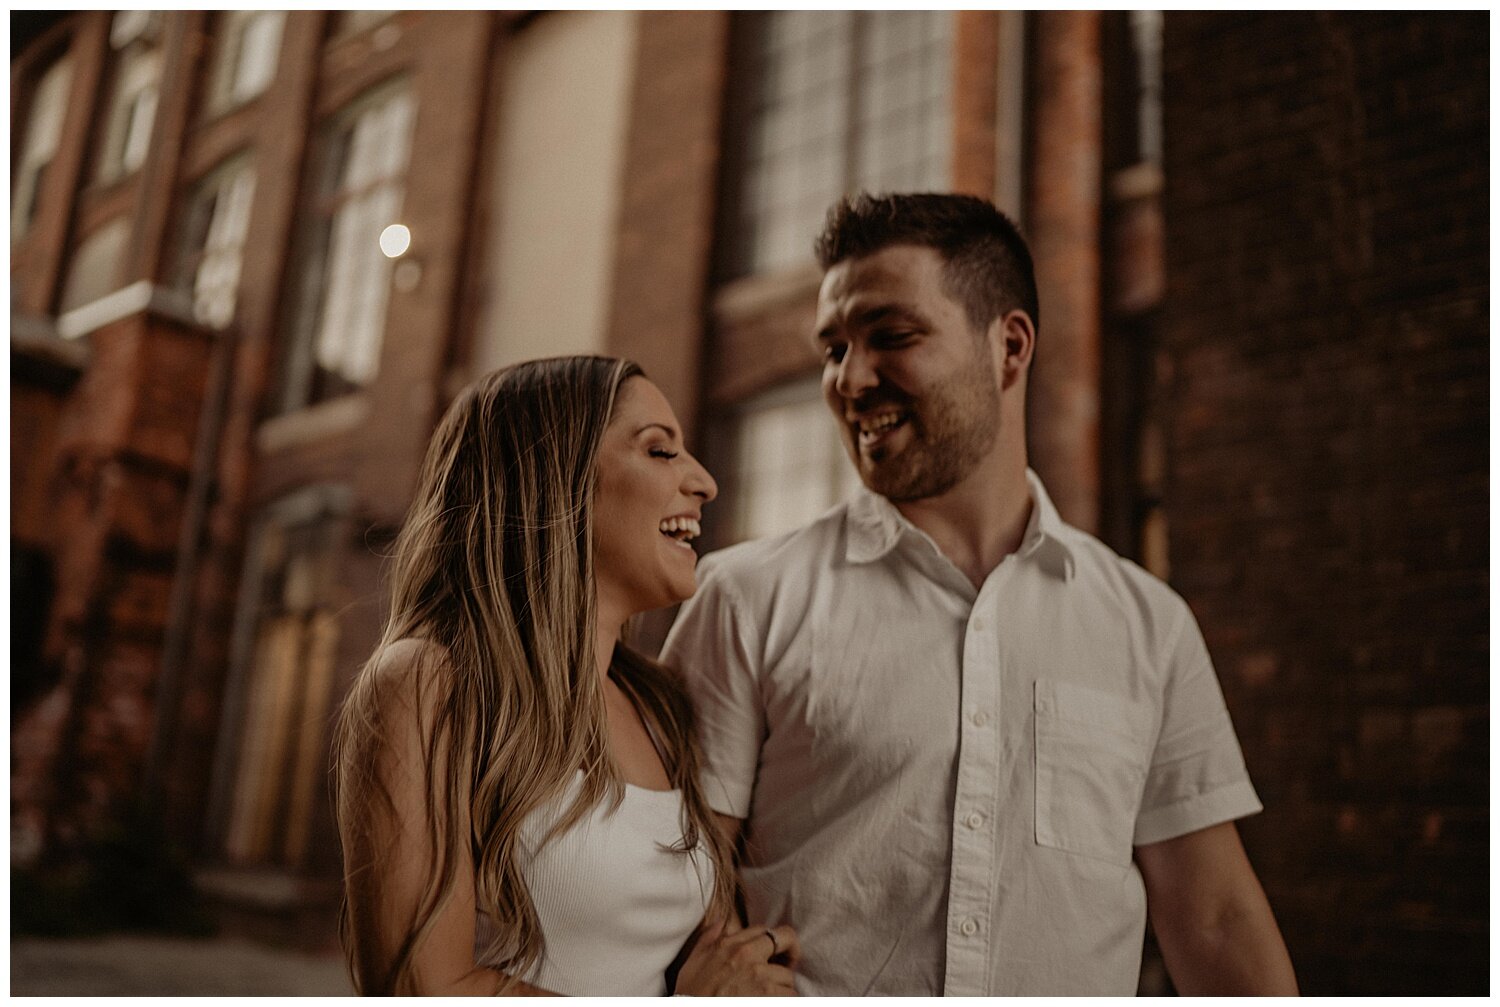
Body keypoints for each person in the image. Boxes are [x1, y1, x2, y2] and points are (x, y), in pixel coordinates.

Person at [661, 193, 1298, 995]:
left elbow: (1213, 918)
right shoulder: (746, 597)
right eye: (833, 348)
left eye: (892, 336)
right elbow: (675, 894)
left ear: (1010, 346)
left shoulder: (1149, 625)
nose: (851, 379)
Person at [333, 356, 799, 995]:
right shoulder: (427, 685)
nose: (705, 482)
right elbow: (424, 990)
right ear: (556, 477)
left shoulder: (662, 708)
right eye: (660, 451)